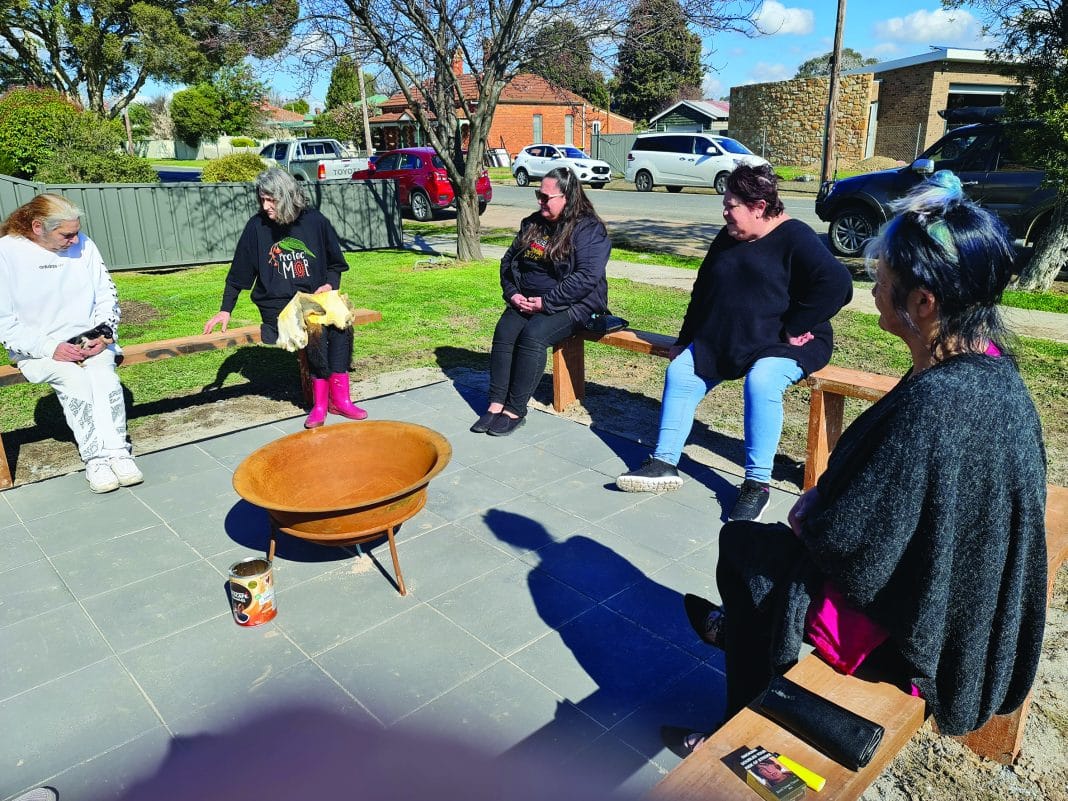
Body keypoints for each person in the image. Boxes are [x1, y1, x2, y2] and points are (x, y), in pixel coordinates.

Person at [680, 171, 1047, 751]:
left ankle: (735, 728)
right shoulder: (987, 363)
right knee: (766, 562)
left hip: (925, 625)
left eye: (882, 277)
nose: (873, 286)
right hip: (956, 594)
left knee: (746, 555)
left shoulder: (939, 399)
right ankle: (741, 637)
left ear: (923, 302)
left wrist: (814, 515)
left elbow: (857, 547)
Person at [615, 164, 852, 522]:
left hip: (788, 342)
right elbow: (703, 291)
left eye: (731, 205)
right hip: (731, 336)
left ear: (758, 207)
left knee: (762, 381)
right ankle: (664, 464)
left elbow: (838, 285)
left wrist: (795, 325)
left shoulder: (795, 237)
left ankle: (757, 485)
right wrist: (685, 339)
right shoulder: (728, 237)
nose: (724, 212)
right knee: (681, 371)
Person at [0, 194, 143, 494]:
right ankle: (95, 459)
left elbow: (106, 293)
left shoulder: (84, 245)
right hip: (38, 347)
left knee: (104, 379)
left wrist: (103, 334)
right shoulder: (6, 252)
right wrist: (50, 348)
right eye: (66, 234)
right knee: (74, 380)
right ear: (37, 227)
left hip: (89, 337)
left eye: (77, 231)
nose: (75, 239)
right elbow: (4, 321)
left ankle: (118, 452)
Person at [203, 167, 367, 428]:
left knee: (341, 323)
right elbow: (238, 275)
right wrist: (225, 310)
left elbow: (336, 265)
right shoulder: (256, 228)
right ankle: (320, 404)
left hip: (314, 298)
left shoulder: (315, 222)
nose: (266, 206)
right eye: (262, 199)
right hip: (278, 306)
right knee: (315, 328)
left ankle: (341, 399)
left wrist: (328, 284)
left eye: (272, 200)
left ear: (288, 196)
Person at [470, 167, 610, 437]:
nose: (540, 201)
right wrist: (513, 294)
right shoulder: (533, 224)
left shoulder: (589, 229)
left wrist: (545, 303)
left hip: (576, 303)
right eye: (538, 194)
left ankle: (514, 409)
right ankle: (496, 403)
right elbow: (508, 262)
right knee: (505, 331)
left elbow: (586, 277)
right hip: (527, 299)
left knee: (533, 335)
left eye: (546, 197)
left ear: (567, 196)